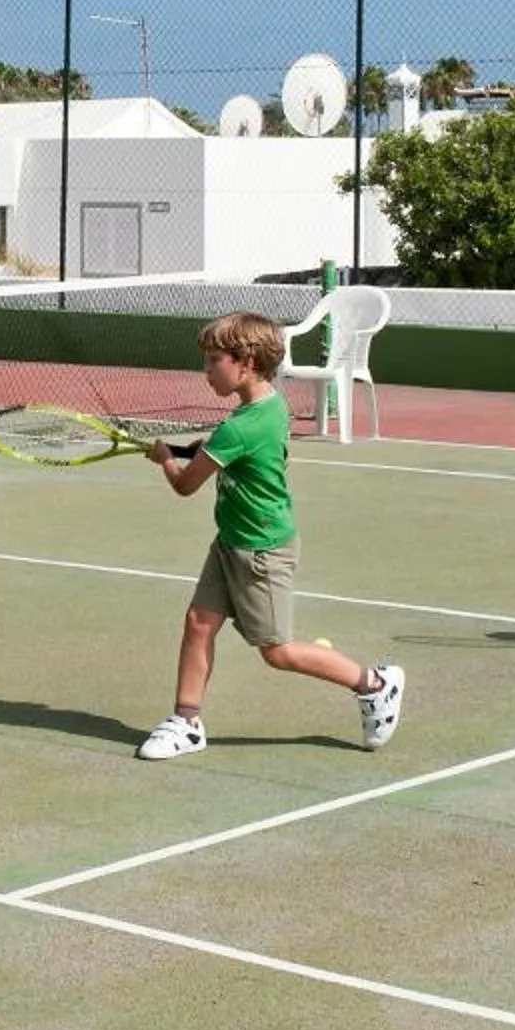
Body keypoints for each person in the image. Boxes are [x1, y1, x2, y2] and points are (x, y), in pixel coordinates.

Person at [134, 310, 406, 760]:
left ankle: (375, 685)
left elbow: (185, 486)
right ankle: (186, 721)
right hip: (232, 542)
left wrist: (165, 457)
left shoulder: (238, 428)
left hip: (261, 552)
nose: (206, 372)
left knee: (278, 652)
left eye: (213, 361)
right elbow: (246, 450)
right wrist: (213, 449)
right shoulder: (269, 406)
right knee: (199, 623)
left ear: (246, 361)